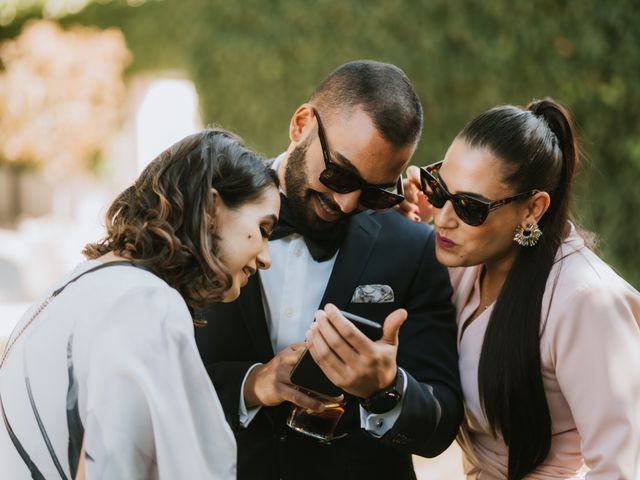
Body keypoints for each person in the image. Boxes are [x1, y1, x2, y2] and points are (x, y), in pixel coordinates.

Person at [195, 60, 463, 479]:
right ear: (301, 124)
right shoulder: (205, 216)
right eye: (339, 174)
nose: (348, 205)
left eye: (375, 192)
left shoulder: (414, 249)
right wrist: (253, 384)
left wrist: (386, 389)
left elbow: (440, 427)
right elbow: (153, 375)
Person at [0, 129, 280, 479]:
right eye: (264, 229)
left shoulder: (82, 284)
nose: (267, 258)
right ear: (210, 208)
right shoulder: (146, 304)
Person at [403, 98, 640, 479]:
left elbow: (619, 468)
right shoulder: (467, 266)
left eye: (469, 207)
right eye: (438, 189)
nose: (444, 219)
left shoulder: (585, 302)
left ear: (533, 209)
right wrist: (400, 226)